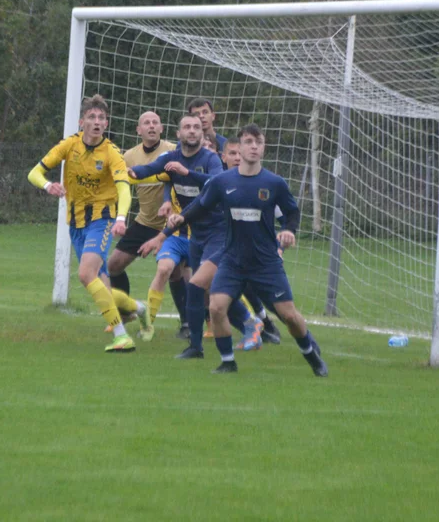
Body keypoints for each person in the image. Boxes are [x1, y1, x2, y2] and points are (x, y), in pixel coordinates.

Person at [162, 124, 327, 376]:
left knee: (289, 316)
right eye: (247, 142)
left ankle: (312, 356)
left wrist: (289, 232)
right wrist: (181, 219)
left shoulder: (274, 183)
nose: (252, 146)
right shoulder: (222, 182)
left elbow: (292, 213)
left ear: (263, 147)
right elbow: (201, 206)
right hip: (232, 260)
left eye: (257, 142)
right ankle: (228, 362)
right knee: (216, 307)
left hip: (266, 263)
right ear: (239, 146)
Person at [27, 94, 151, 353]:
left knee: (85, 275)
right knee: (101, 287)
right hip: (75, 223)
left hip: (102, 220)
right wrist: (49, 185)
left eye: (101, 118)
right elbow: (34, 173)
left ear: (106, 123)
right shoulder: (68, 145)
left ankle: (121, 336)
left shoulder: (112, 153)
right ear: (82, 121)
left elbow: (124, 189)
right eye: (92, 117)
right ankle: (139, 308)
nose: (97, 122)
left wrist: (119, 218)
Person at [133, 115, 263, 359]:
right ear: (178, 133)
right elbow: (146, 170)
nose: (192, 131)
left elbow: (217, 181)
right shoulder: (170, 158)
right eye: (187, 127)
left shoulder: (210, 158)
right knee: (203, 290)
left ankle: (241, 326)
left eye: (196, 127)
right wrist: (127, 171)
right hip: (196, 234)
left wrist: (187, 174)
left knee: (198, 285)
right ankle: (200, 343)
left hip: (220, 233)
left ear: (202, 135)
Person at [106, 111, 189, 336]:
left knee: (173, 271)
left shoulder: (174, 151)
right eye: (146, 123)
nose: (151, 126)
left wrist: (169, 203)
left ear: (161, 129)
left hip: (172, 224)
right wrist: (115, 216)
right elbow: (118, 184)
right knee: (113, 265)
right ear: (138, 130)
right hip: (144, 222)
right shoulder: (130, 156)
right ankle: (125, 312)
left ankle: (186, 323)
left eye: (155, 122)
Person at [220, 137, 283, 346]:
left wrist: (281, 244)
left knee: (262, 292)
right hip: (224, 247)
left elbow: (286, 219)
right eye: (232, 154)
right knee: (208, 287)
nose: (237, 158)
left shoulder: (264, 185)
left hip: (257, 252)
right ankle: (254, 325)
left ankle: (261, 323)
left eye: (240, 153)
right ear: (223, 157)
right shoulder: (219, 183)